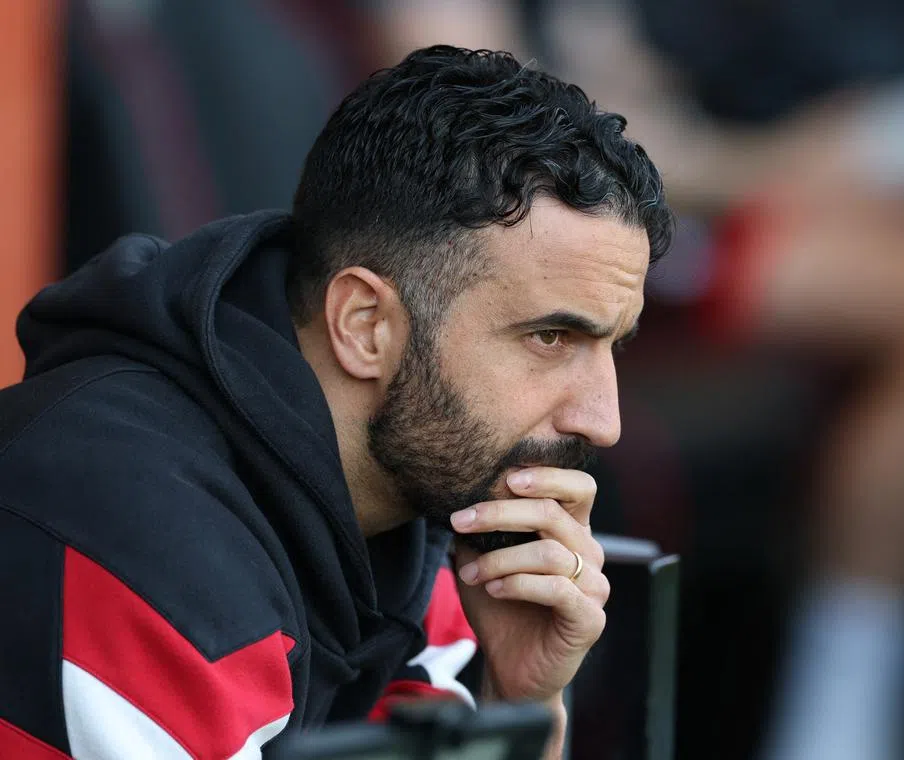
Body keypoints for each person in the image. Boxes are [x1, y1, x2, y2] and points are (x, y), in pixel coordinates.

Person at [0, 45, 672, 760]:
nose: (603, 420)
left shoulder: (422, 513)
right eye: (550, 337)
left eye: (613, 345)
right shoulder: (131, 546)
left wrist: (522, 703)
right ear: (364, 324)